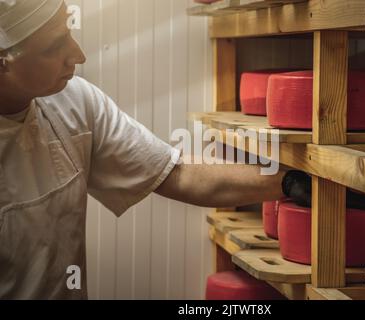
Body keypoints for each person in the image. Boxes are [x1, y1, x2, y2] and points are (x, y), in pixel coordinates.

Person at [0, 0, 311, 299]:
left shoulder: (75, 102)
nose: (78, 55)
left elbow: (178, 174)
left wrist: (291, 182)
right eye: (54, 47)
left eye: (69, 32)